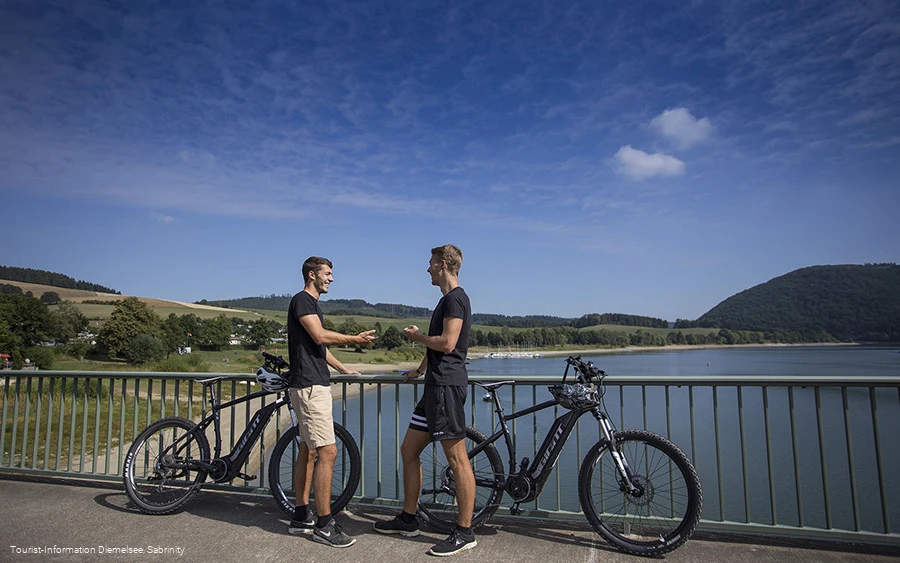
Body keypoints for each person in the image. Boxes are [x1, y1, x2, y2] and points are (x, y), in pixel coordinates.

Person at [373, 244, 476, 556]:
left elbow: (447, 343)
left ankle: (465, 532)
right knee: (409, 450)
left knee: (457, 460)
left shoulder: (456, 299)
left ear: (442, 264)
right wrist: (418, 370)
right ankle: (409, 518)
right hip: (433, 387)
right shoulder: (446, 300)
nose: (427, 268)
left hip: (446, 388)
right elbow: (437, 349)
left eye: (430, 263)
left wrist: (417, 337)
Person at [286, 256, 376, 548]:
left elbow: (319, 347)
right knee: (328, 451)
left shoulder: (311, 304)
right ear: (312, 274)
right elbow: (320, 335)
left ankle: (301, 515)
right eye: (327, 273)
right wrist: (355, 339)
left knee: (308, 449)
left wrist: (342, 369)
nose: (332, 279)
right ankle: (324, 525)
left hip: (311, 383)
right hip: (310, 387)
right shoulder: (302, 301)